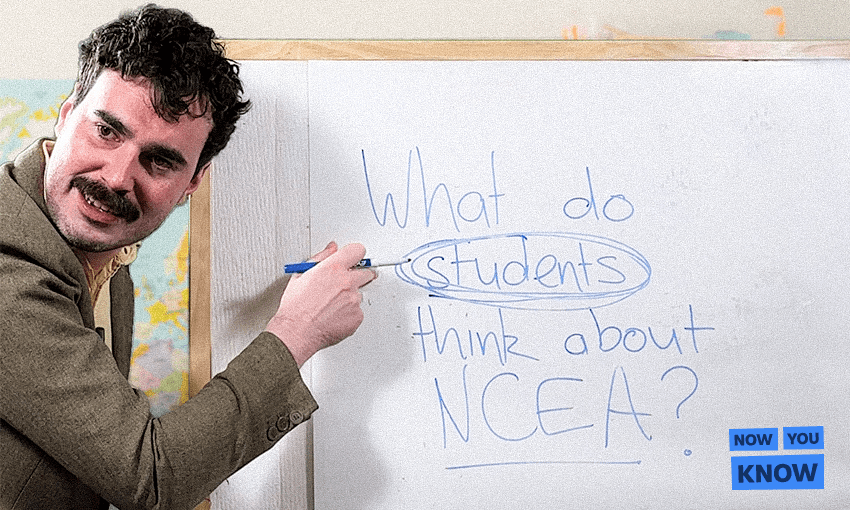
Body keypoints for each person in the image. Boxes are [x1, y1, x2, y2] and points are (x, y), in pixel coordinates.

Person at [0, 5, 375, 509]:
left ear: (191, 184)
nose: (115, 178)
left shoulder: (109, 264)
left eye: (159, 160)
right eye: (106, 131)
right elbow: (149, 478)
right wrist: (297, 332)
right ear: (67, 115)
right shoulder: (11, 266)